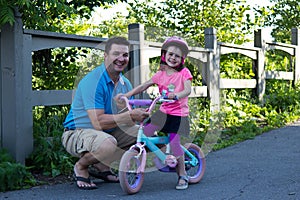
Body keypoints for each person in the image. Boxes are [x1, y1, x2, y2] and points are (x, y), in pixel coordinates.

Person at [62, 36, 149, 190]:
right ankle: (81, 166)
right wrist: (129, 115)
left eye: (125, 55)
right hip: (77, 132)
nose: (121, 59)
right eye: (116, 54)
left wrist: (136, 114)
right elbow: (98, 122)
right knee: (108, 144)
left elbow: (127, 123)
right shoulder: (94, 81)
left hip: (106, 133)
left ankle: (102, 166)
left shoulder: (125, 83)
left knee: (149, 136)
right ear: (106, 56)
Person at [116, 36, 192, 190]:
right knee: (146, 132)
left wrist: (176, 95)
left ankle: (182, 174)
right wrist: (127, 95)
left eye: (177, 56)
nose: (173, 58)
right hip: (164, 111)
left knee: (174, 142)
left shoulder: (184, 72)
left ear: (182, 59)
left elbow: (188, 89)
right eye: (170, 54)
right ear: (164, 55)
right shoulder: (160, 74)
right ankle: (156, 157)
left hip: (178, 114)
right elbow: (144, 86)